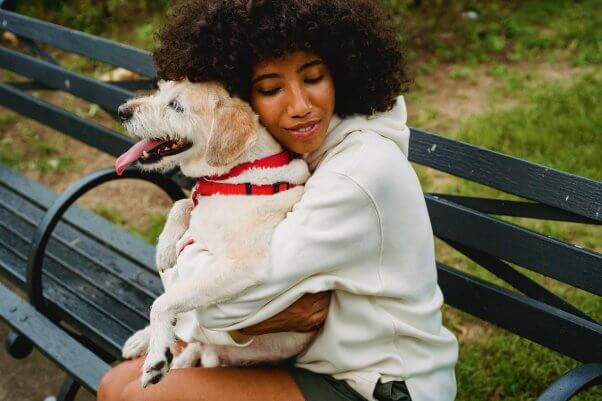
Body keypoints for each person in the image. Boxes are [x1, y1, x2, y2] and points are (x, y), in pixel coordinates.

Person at [97, 1, 459, 400]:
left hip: (377, 384)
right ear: (244, 102)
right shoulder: (297, 154)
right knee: (114, 384)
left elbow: (235, 293)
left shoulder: (358, 171)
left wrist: (202, 313)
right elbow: (234, 307)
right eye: (271, 89)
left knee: (141, 397)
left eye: (315, 77)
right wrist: (240, 319)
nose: (301, 106)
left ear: (342, 72)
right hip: (308, 362)